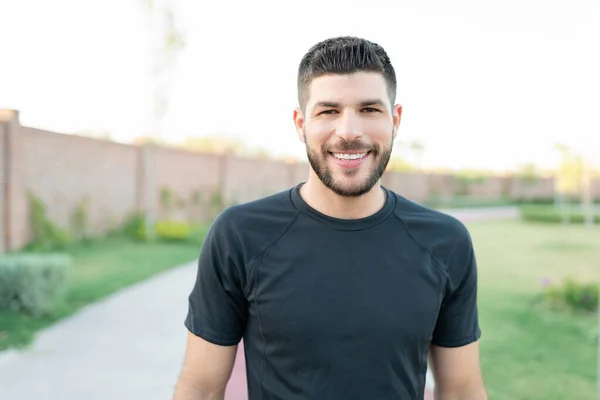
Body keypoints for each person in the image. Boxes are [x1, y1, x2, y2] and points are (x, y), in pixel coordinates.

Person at [173, 36, 487, 400]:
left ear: (395, 120)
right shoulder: (240, 235)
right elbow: (200, 390)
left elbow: (462, 391)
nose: (349, 131)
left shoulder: (445, 242)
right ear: (300, 123)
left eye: (369, 109)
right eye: (328, 111)